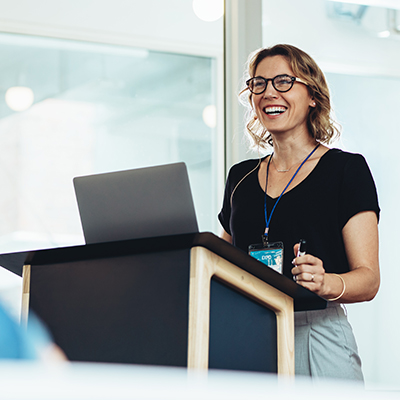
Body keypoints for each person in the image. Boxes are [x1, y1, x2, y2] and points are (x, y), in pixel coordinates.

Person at [218, 44, 380, 381]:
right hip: (249, 333)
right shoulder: (240, 177)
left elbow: (368, 280)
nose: (267, 93)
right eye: (258, 84)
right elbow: (222, 265)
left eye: (283, 81)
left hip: (316, 332)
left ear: (313, 96)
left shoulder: (346, 169)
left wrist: (325, 281)